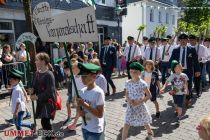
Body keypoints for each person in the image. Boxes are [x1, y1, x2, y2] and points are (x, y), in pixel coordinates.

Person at [122, 62, 153, 140]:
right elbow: (126, 93)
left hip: (140, 107)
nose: (132, 73)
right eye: (131, 71)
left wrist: (139, 102)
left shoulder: (142, 83)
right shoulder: (127, 82)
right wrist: (128, 100)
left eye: (135, 72)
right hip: (131, 106)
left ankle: (150, 132)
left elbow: (149, 95)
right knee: (126, 123)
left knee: (145, 122)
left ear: (139, 72)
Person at [30, 52, 57, 140]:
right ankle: (51, 137)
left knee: (45, 122)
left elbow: (50, 91)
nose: (35, 62)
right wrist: (32, 90)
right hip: (41, 102)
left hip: (48, 103)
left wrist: (37, 97)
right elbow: (34, 86)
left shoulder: (49, 74)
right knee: (45, 123)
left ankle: (50, 138)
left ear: (43, 61)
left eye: (37, 60)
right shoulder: (37, 73)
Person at [169, 33, 200, 107]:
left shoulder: (192, 49)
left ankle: (187, 99)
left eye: (185, 39)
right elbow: (171, 60)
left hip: (188, 71)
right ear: (179, 41)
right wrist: (169, 68)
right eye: (181, 40)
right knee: (176, 86)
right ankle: (177, 101)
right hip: (177, 71)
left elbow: (196, 61)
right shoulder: (175, 49)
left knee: (188, 86)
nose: (183, 41)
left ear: (187, 40)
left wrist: (197, 70)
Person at [76, 63, 105, 140]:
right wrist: (79, 111)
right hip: (84, 127)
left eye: (85, 76)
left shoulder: (98, 92)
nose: (82, 79)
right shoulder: (82, 91)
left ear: (94, 76)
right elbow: (78, 108)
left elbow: (100, 114)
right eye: (82, 76)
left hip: (95, 130)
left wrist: (84, 104)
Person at [9, 69, 35, 140]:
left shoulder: (17, 89)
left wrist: (16, 112)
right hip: (16, 109)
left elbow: (18, 101)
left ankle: (31, 125)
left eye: (12, 80)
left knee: (19, 123)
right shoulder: (15, 87)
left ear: (17, 81)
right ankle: (20, 134)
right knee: (15, 122)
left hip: (19, 109)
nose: (10, 80)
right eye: (10, 79)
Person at [161, 60, 189, 124]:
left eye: (179, 68)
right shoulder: (172, 75)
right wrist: (163, 87)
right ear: (174, 69)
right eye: (176, 68)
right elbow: (167, 82)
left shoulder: (184, 75)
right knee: (175, 104)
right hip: (174, 92)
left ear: (181, 69)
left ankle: (179, 117)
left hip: (181, 93)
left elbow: (186, 83)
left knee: (180, 105)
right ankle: (177, 111)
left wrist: (187, 90)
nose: (177, 69)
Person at [67, 59, 86, 130]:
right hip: (78, 96)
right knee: (80, 109)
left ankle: (74, 124)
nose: (72, 70)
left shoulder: (83, 76)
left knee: (80, 109)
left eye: (73, 69)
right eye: (72, 69)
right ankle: (83, 121)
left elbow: (86, 86)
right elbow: (73, 88)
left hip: (84, 95)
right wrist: (73, 97)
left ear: (78, 69)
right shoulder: (74, 77)